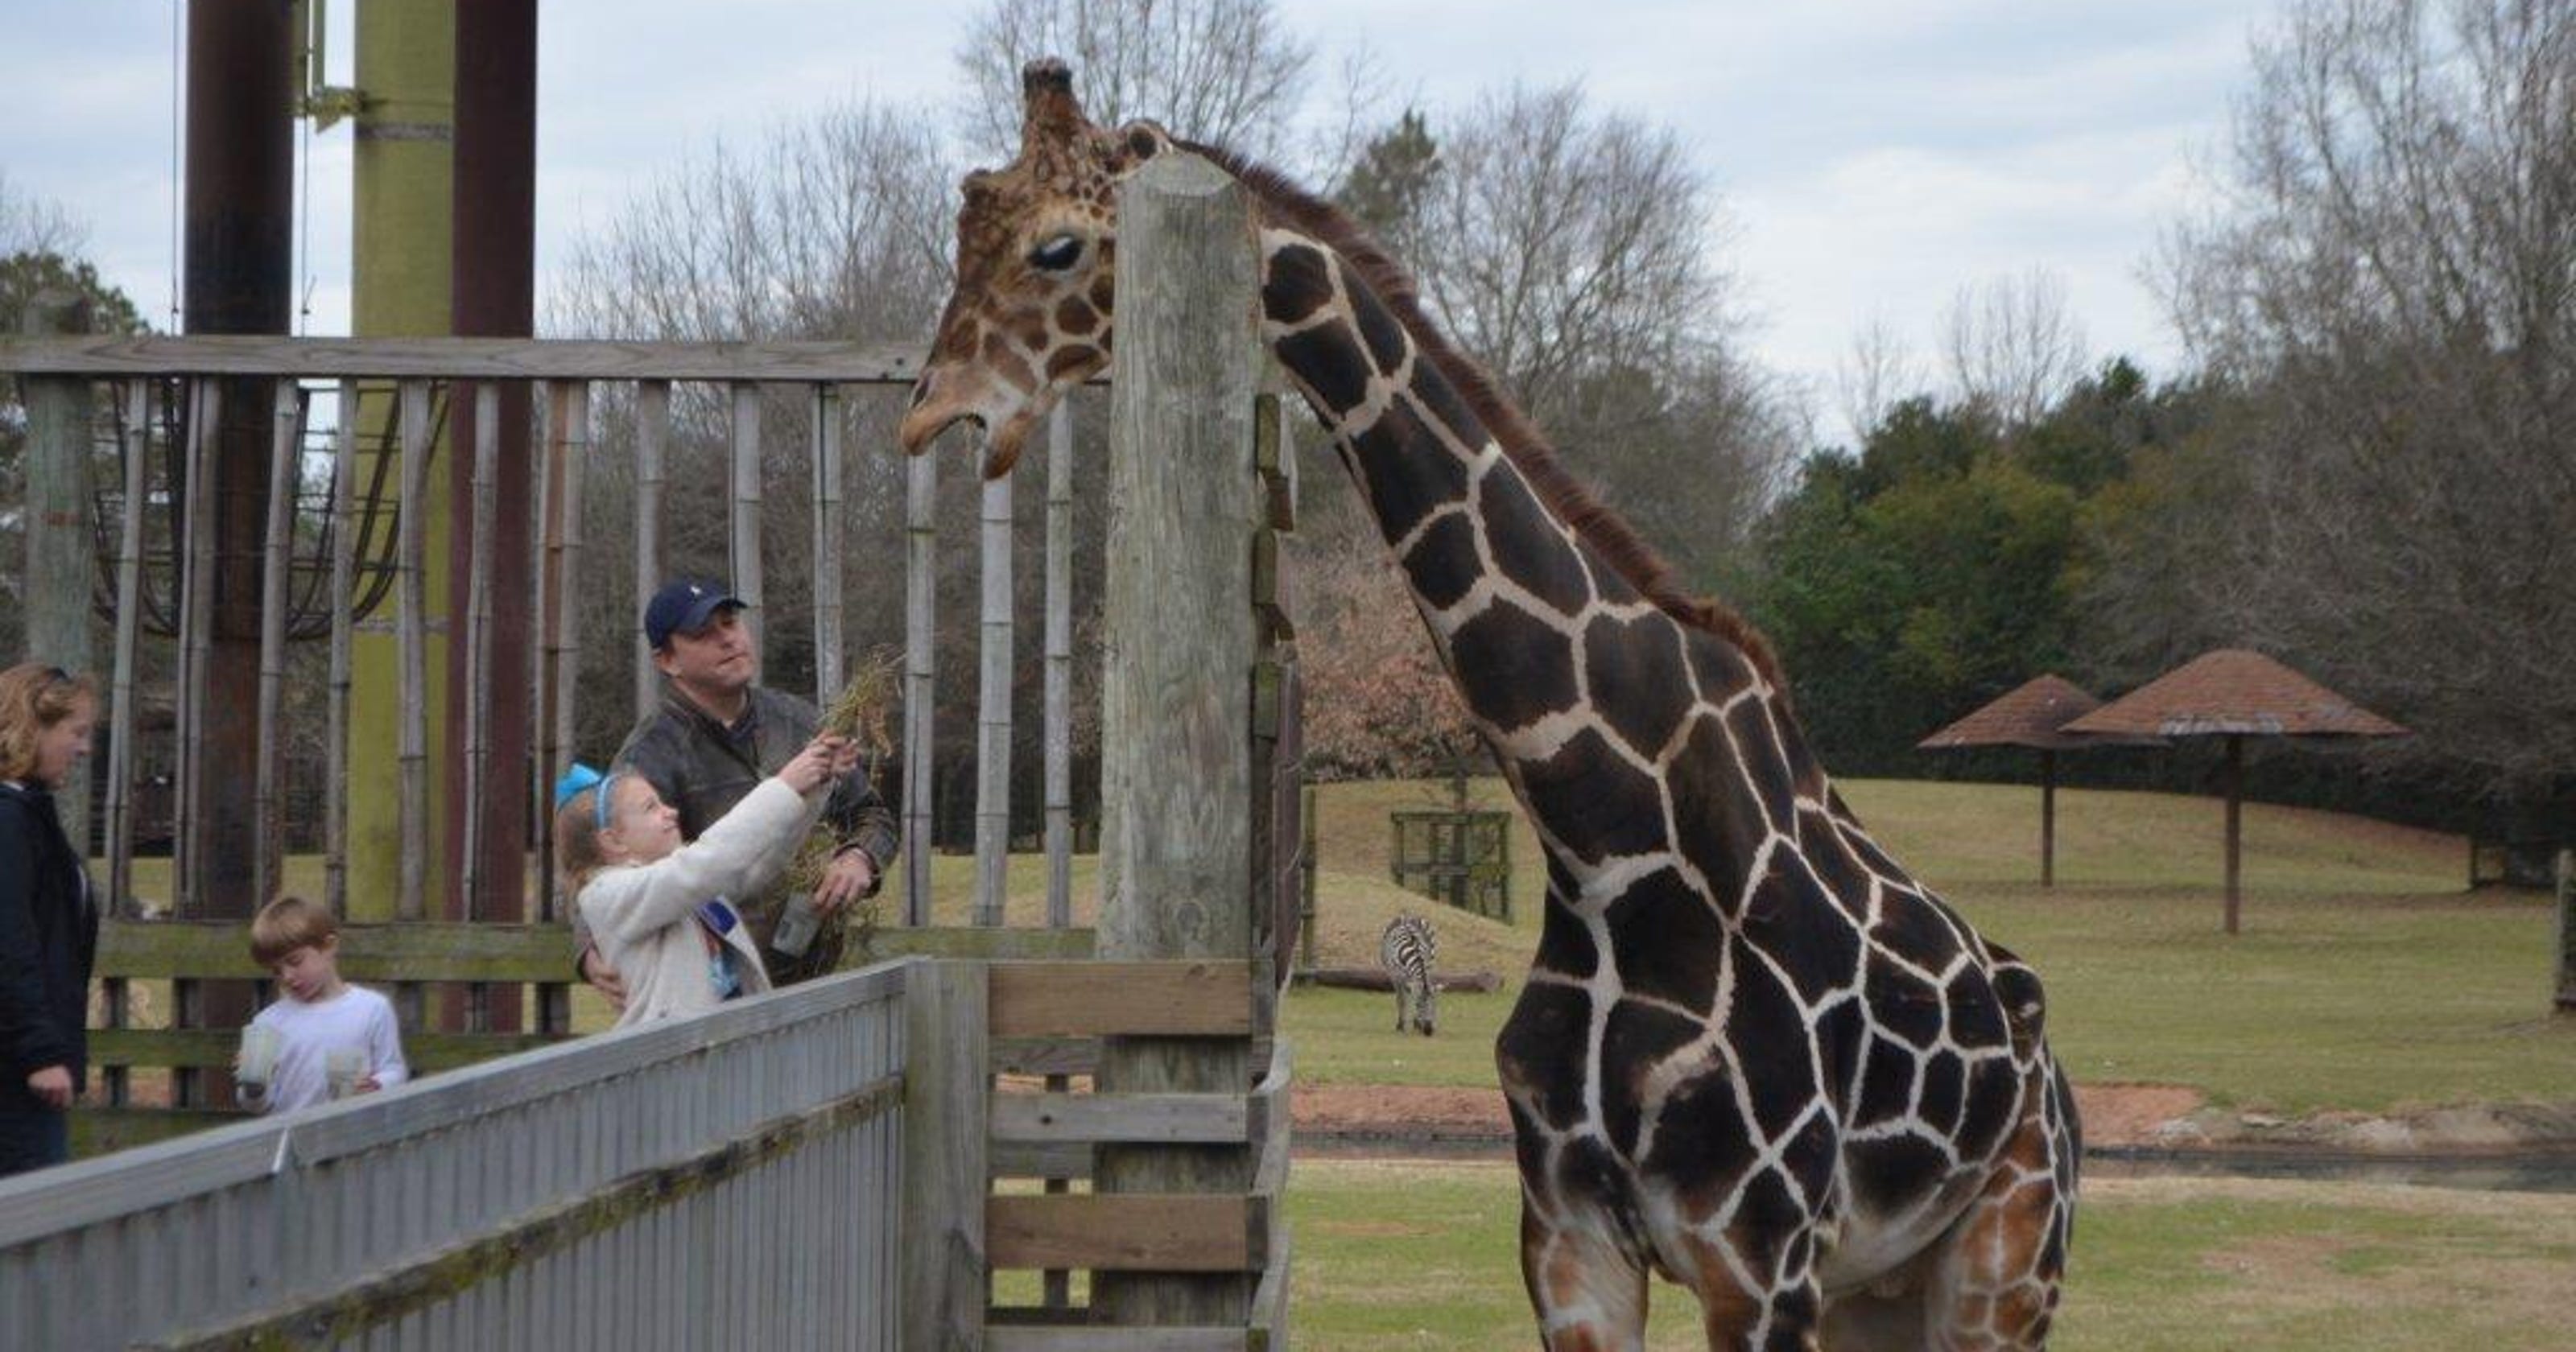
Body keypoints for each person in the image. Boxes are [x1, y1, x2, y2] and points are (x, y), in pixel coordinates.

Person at [578, 579, 898, 1003]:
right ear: (667, 660)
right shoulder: (648, 758)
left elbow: (872, 814)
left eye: (730, 623)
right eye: (703, 633)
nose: (727, 639)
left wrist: (860, 857)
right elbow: (605, 866)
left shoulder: (799, 721)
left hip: (817, 979)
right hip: (716, 997)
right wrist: (590, 944)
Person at [555, 731, 858, 1028]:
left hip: (720, 1048)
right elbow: (707, 863)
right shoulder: (607, 894)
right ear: (613, 841)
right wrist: (784, 786)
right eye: (651, 808)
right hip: (672, 1056)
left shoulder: (680, 883)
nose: (671, 812)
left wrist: (812, 788)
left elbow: (759, 863)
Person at [0, 663, 99, 1177]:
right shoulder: (8, 820)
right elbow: (8, 942)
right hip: (14, 1074)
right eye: (76, 733)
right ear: (32, 728)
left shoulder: (30, 815)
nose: (84, 749)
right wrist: (40, 1052)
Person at [233, 896, 411, 1113]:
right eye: (276, 971)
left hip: (352, 1129)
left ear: (329, 946)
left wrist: (378, 1085)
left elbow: (394, 1069)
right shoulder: (268, 1023)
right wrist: (254, 1086)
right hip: (290, 1132)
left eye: (295, 961)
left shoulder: (372, 1009)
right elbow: (256, 1106)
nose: (287, 976)